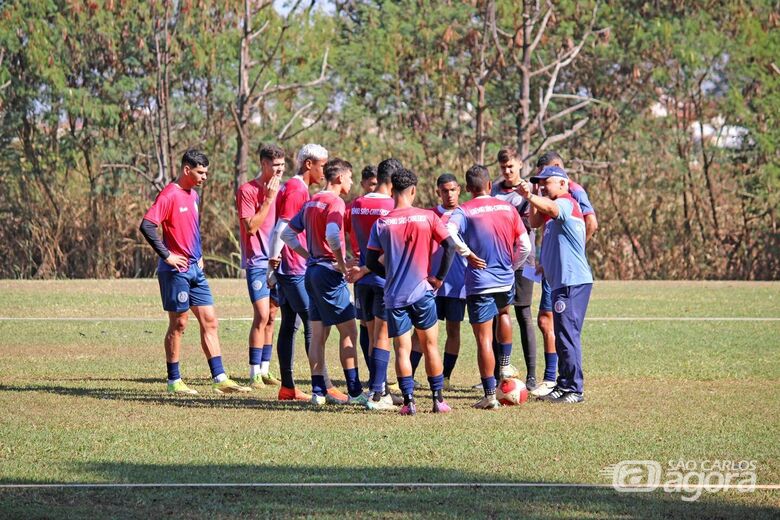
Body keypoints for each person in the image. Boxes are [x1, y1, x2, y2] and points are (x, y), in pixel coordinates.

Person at [139, 149, 250, 395]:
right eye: (201, 172)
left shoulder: (193, 196)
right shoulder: (169, 194)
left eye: (206, 172)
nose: (205, 177)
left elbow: (190, 230)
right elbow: (147, 225)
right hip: (175, 272)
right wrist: (167, 256)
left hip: (195, 270)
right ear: (187, 170)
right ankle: (174, 381)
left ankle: (220, 378)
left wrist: (198, 257)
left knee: (210, 320)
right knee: (179, 324)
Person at [366, 168, 457, 415]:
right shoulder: (427, 217)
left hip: (395, 295)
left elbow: (371, 261)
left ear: (392, 190)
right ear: (413, 190)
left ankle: (409, 403)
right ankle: (438, 401)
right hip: (422, 292)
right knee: (430, 346)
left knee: (402, 349)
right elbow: (449, 246)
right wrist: (438, 278)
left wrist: (391, 275)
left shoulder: (382, 223)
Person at [282, 158, 365, 406]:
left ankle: (318, 393)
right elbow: (331, 234)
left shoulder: (311, 201)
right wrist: (339, 263)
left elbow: (287, 234)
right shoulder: (335, 201)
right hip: (328, 275)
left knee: (318, 334)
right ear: (339, 177)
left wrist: (312, 257)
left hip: (312, 272)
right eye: (350, 177)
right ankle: (355, 391)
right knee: (349, 331)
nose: (351, 182)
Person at [448, 165, 531, 409]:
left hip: (480, 281)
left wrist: (467, 253)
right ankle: (505, 364)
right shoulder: (507, 208)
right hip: (505, 279)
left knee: (484, 339)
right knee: (504, 314)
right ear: (488, 185)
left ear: (468, 189)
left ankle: (489, 396)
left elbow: (448, 231)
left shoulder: (465, 210)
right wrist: (512, 265)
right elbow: (524, 244)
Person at [268, 143, 343, 402]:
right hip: (294, 270)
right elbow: (283, 227)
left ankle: (288, 387)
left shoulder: (295, 187)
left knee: (290, 325)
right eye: (322, 165)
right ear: (309, 164)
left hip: (289, 269)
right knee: (315, 326)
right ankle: (323, 386)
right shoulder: (297, 188)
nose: (325, 170)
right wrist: (277, 261)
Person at [517, 165, 593, 404]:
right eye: (539, 182)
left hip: (572, 282)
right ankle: (563, 384)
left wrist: (529, 195)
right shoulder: (552, 211)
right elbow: (536, 221)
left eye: (546, 181)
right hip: (561, 282)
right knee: (561, 335)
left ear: (562, 183)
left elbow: (548, 207)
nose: (542, 186)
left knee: (567, 335)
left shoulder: (566, 202)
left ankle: (575, 389)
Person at [345, 159, 400, 410]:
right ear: (393, 180)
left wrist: (355, 261)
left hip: (360, 280)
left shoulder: (357, 203)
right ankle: (378, 394)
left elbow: (348, 232)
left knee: (367, 331)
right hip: (380, 276)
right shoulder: (391, 206)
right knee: (381, 335)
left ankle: (378, 386)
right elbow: (388, 248)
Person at [236, 144, 285, 389]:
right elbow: (251, 227)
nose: (279, 171)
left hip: (278, 262)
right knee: (262, 314)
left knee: (272, 316)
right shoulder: (247, 190)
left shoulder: (284, 190)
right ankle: (253, 371)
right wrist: (268, 199)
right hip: (257, 262)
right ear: (264, 164)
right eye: (275, 166)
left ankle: (265, 369)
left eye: (282, 166)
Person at [491, 148, 538, 390]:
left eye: (511, 166)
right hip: (498, 260)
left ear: (519, 164)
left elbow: (529, 223)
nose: (507, 171)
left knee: (523, 314)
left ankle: (531, 376)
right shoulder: (495, 190)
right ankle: (497, 374)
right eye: (503, 168)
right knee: (497, 316)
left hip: (524, 260)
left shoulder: (528, 190)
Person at [429, 173, 467, 390]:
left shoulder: (466, 215)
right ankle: (409, 376)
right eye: (445, 190)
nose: (449, 194)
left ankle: (446, 377)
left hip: (456, 284)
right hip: (431, 284)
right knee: (422, 331)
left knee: (454, 330)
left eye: (453, 190)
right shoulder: (430, 215)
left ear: (459, 190)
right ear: (438, 192)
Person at [345, 165, 378, 376]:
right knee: (366, 324)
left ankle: (379, 377)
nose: (375, 188)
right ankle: (376, 376)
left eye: (378, 184)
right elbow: (335, 230)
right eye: (371, 184)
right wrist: (345, 258)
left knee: (378, 326)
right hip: (362, 271)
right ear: (363, 184)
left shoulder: (385, 205)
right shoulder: (353, 207)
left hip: (379, 270)